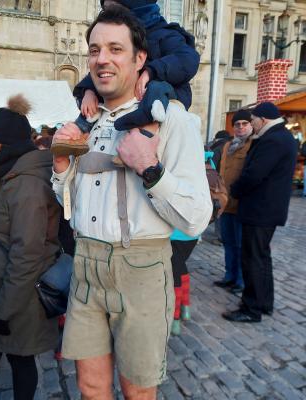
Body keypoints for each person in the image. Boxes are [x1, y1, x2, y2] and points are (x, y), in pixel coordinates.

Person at [52, 6, 211, 399]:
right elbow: (68, 200)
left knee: (137, 391)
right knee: (90, 386)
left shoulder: (171, 119)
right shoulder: (87, 121)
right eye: (94, 50)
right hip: (86, 266)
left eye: (115, 49)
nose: (102, 59)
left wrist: (151, 169)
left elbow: (195, 219)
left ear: (141, 59)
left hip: (140, 269)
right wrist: (60, 170)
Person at [0, 94, 61, 400]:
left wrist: (4, 311)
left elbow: (26, 253)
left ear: (0, 144)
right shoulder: (5, 175)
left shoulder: (26, 184)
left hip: (15, 298)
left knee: (18, 361)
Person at [51, 0, 199, 156]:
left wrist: (151, 72)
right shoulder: (115, 34)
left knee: (155, 92)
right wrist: (88, 91)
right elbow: (104, 69)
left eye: (116, 49)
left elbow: (187, 60)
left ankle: (145, 137)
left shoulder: (164, 33)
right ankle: (80, 131)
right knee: (94, 103)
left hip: (167, 90)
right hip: (126, 101)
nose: (102, 59)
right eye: (104, 10)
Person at [222, 102, 298, 323]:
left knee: (253, 258)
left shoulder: (272, 139)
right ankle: (264, 303)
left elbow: (254, 174)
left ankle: (251, 308)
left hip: (260, 209)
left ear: (262, 120)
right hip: (266, 209)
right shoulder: (281, 137)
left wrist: (234, 191)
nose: (252, 124)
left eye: (253, 120)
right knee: (262, 257)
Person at [214, 110, 253, 294]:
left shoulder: (252, 145)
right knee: (228, 242)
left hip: (241, 204)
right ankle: (229, 276)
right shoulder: (227, 146)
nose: (240, 127)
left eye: (244, 123)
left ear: (251, 125)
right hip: (225, 203)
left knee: (240, 244)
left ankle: (240, 280)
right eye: (237, 124)